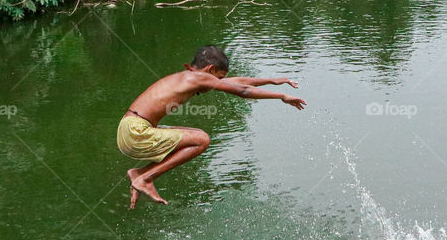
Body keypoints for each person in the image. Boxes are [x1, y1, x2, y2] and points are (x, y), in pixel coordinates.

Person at [117, 45, 306, 209]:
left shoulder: (189, 77)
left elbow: (233, 83)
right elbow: (243, 91)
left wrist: (271, 80)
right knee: (202, 140)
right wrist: (281, 96)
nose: (218, 82)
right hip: (136, 132)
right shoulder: (197, 78)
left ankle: (140, 174)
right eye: (218, 76)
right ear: (209, 69)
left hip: (129, 128)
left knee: (197, 134)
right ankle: (146, 178)